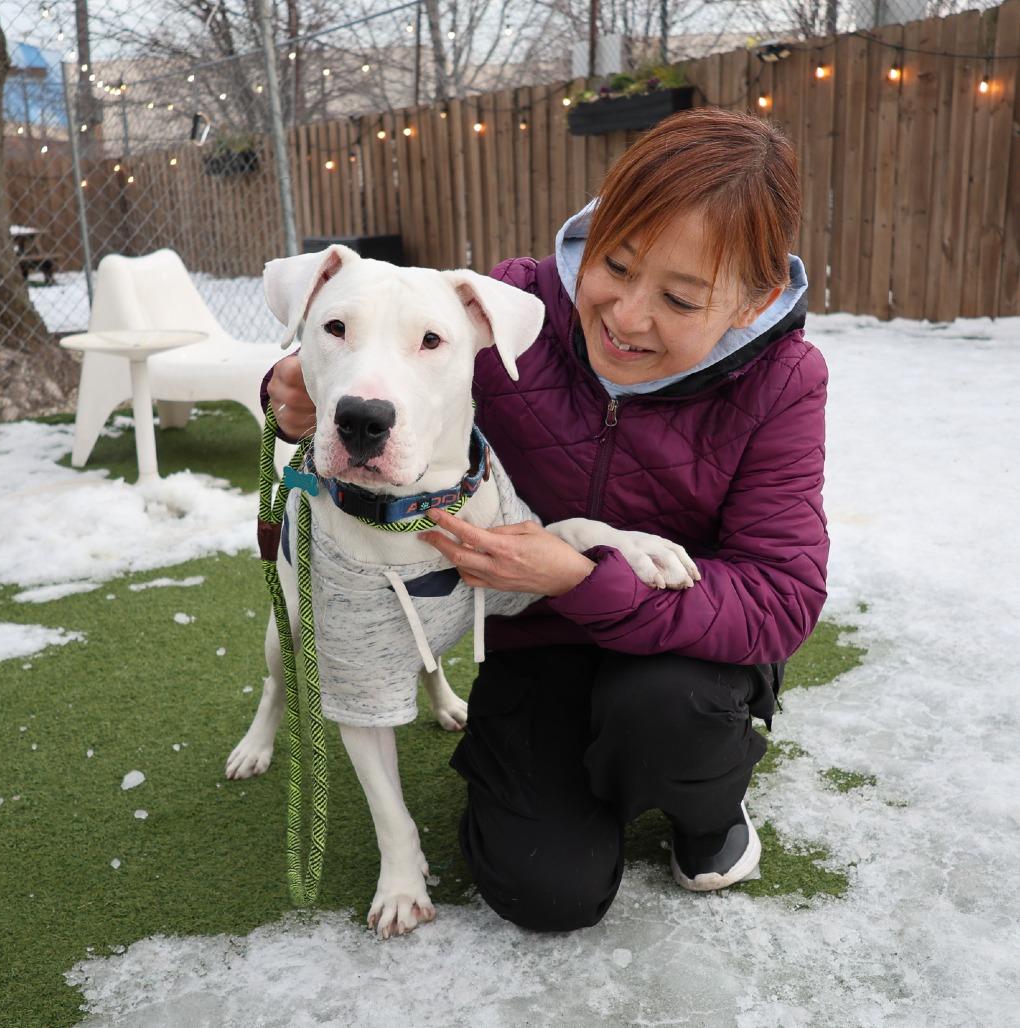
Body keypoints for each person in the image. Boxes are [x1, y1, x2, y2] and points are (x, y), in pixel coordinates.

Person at [265, 107, 829, 932]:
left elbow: (780, 598)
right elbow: (390, 369)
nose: (627, 317)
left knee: (666, 712)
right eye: (616, 264)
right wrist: (292, 396)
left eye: (678, 297)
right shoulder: (514, 303)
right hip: (535, 638)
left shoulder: (783, 381)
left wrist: (584, 577)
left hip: (683, 652)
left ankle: (705, 812)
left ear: (755, 298)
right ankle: (572, 787)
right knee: (543, 889)